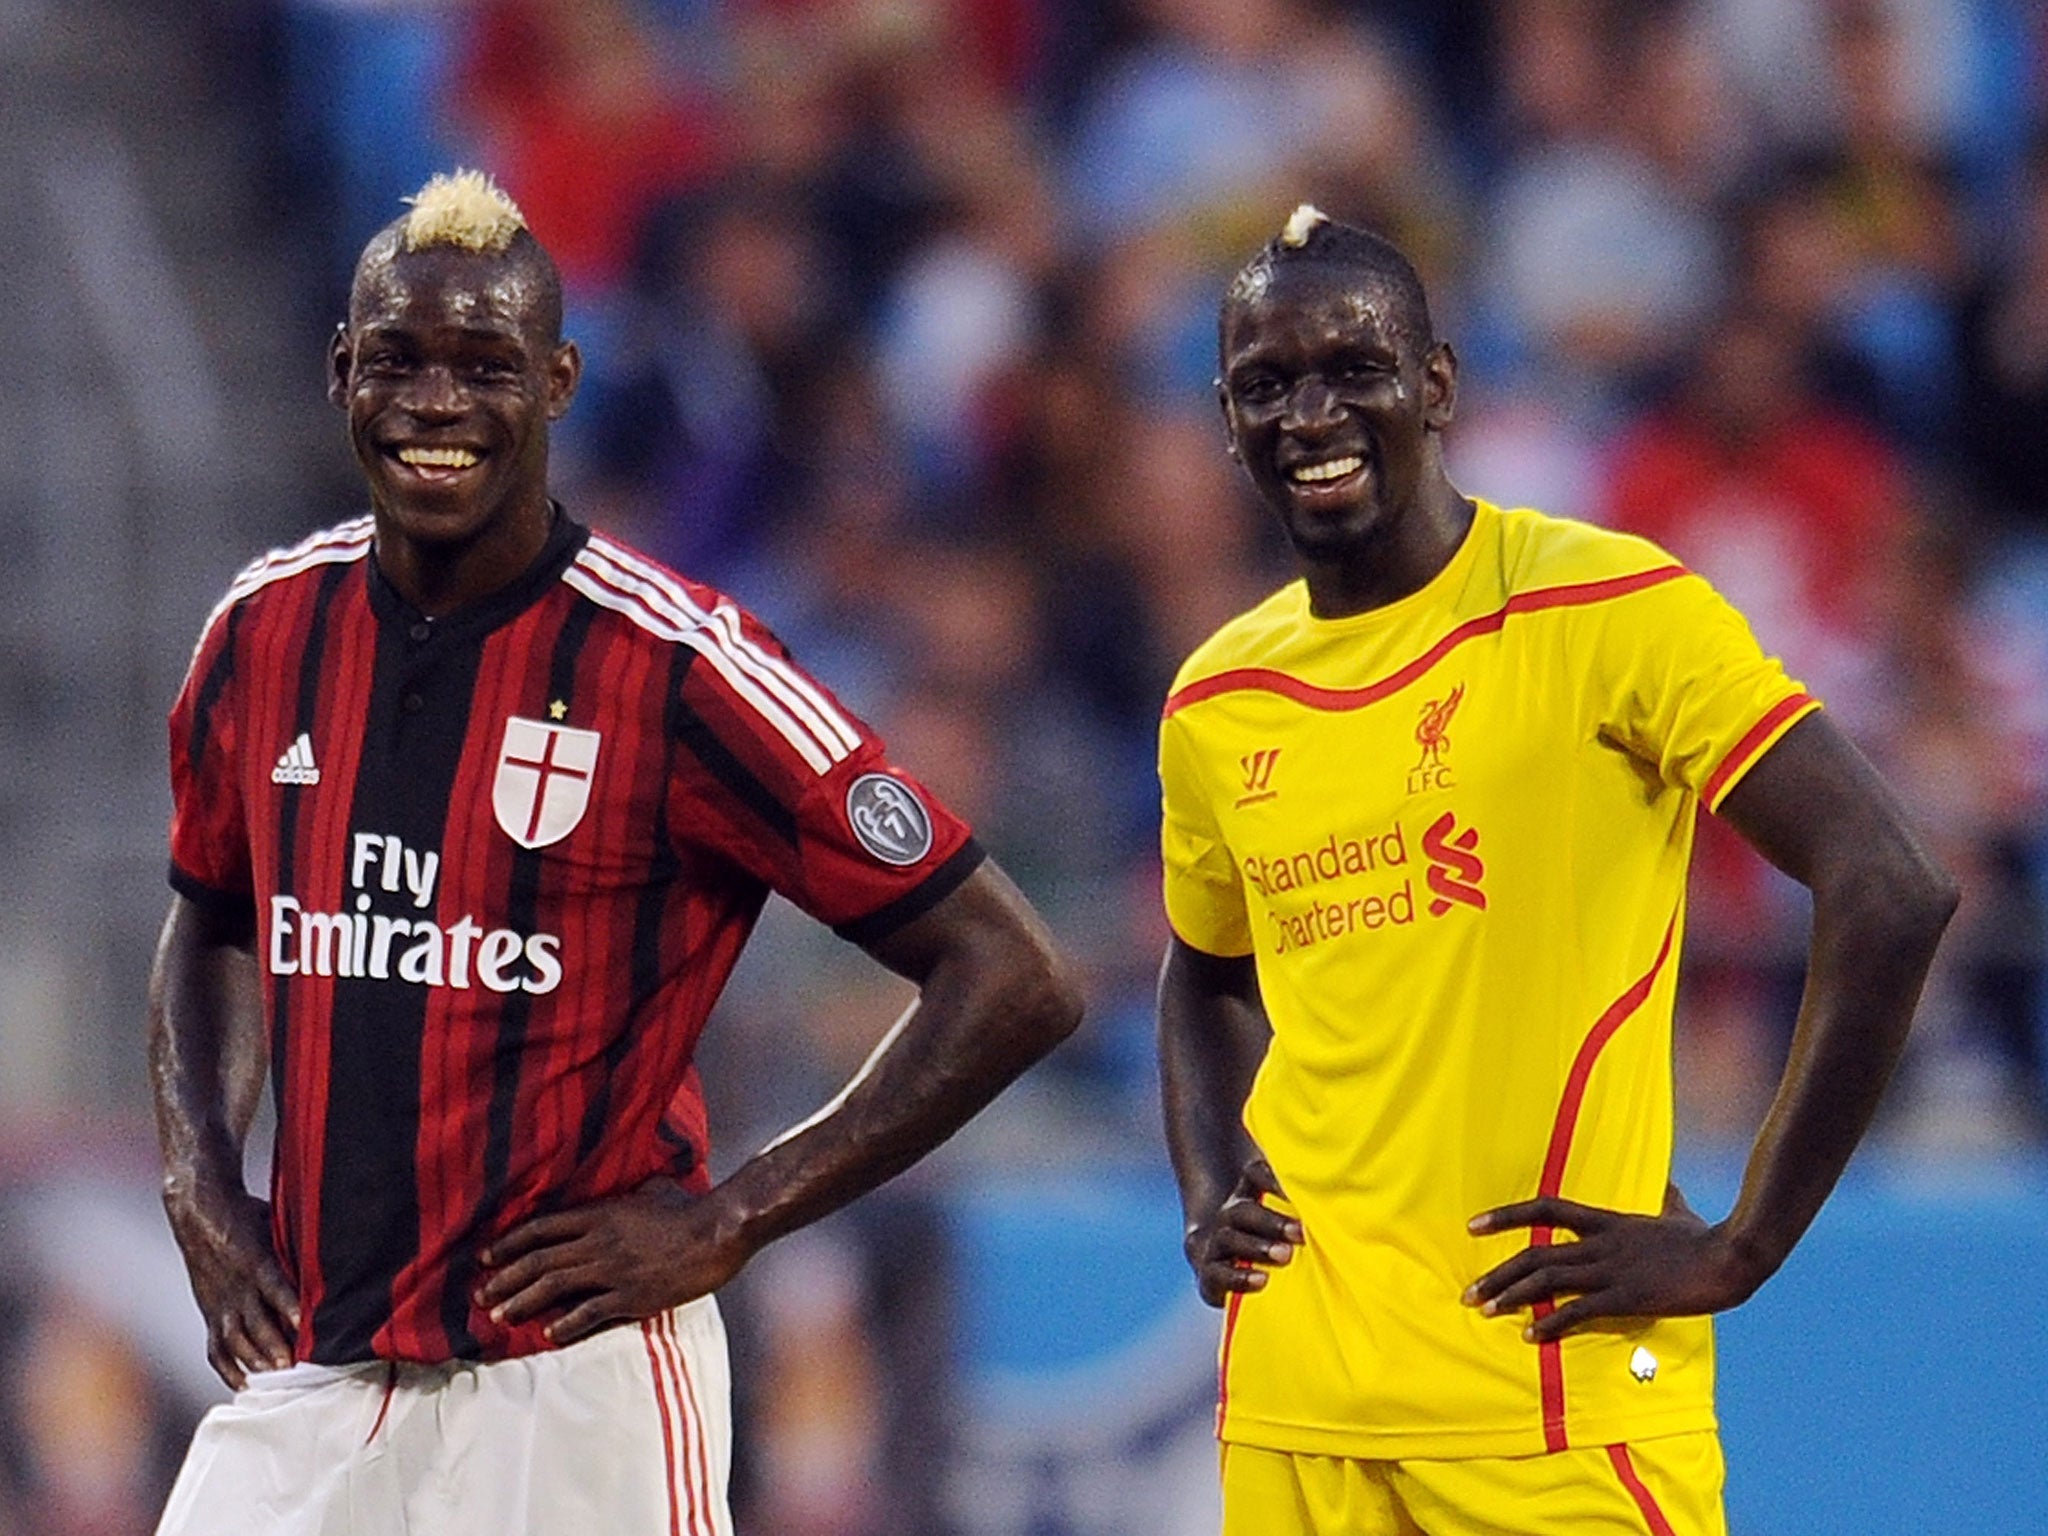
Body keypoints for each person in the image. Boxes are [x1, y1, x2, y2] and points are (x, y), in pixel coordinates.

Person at [147, 168, 1082, 1536]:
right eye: (399, 361)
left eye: (486, 364)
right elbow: (217, 913)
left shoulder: (677, 663)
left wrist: (737, 1219)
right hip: (316, 1368)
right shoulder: (262, 631)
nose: (437, 403)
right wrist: (198, 1172)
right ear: (343, 372)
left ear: (560, 381)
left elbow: (1013, 971)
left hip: (573, 1386)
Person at [1156, 205, 1956, 1535]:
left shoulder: (1609, 610)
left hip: (1554, 1401)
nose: (1310, 415)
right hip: (1297, 1402)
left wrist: (1745, 1241)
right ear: (1227, 417)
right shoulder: (1219, 695)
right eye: (1265, 386)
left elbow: (1892, 883)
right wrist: (1204, 1191)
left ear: (1439, 384)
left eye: (1354, 370)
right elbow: (1207, 973)